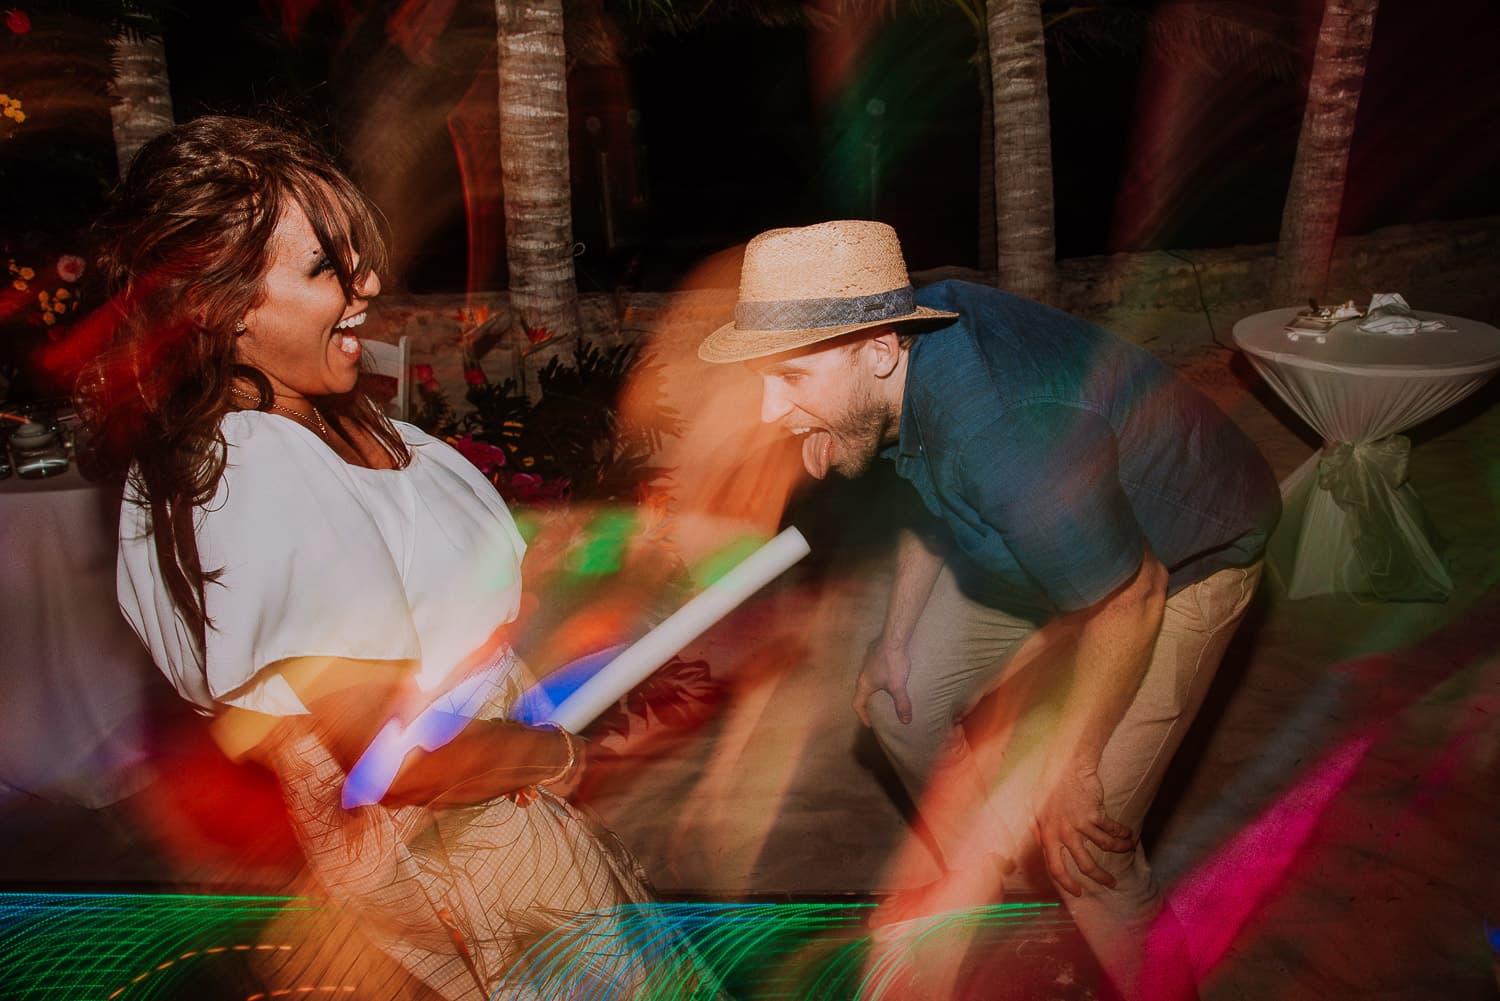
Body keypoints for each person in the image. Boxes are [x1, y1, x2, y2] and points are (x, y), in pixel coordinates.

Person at [80, 116, 662, 1001]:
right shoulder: (256, 465)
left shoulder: (313, 409)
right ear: (220, 304)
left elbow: (403, 582)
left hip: (484, 817)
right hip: (468, 846)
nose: (370, 283)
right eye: (326, 267)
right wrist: (556, 755)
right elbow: (398, 760)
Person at [699, 220, 1281, 1000]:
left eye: (793, 378)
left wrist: (1072, 772)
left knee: (1088, 854)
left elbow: (1129, 596)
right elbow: (929, 482)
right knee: (897, 700)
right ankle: (982, 877)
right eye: (765, 379)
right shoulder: (906, 343)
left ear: (877, 351)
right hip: (1050, 538)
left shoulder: (1004, 436)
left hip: (1176, 562)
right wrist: (897, 637)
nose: (770, 410)